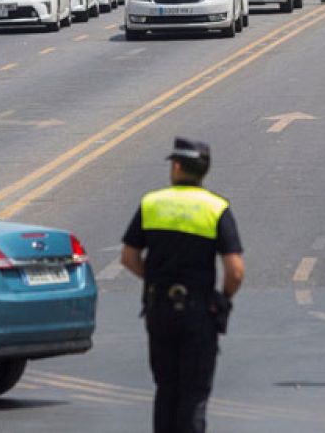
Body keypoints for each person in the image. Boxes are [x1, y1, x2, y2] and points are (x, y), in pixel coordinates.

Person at [122, 138, 245, 433]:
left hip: (159, 309)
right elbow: (235, 270)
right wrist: (223, 298)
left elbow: (128, 257)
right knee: (193, 395)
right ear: (204, 170)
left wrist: (155, 281)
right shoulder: (215, 208)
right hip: (198, 311)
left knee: (166, 390)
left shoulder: (152, 203)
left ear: (176, 166)